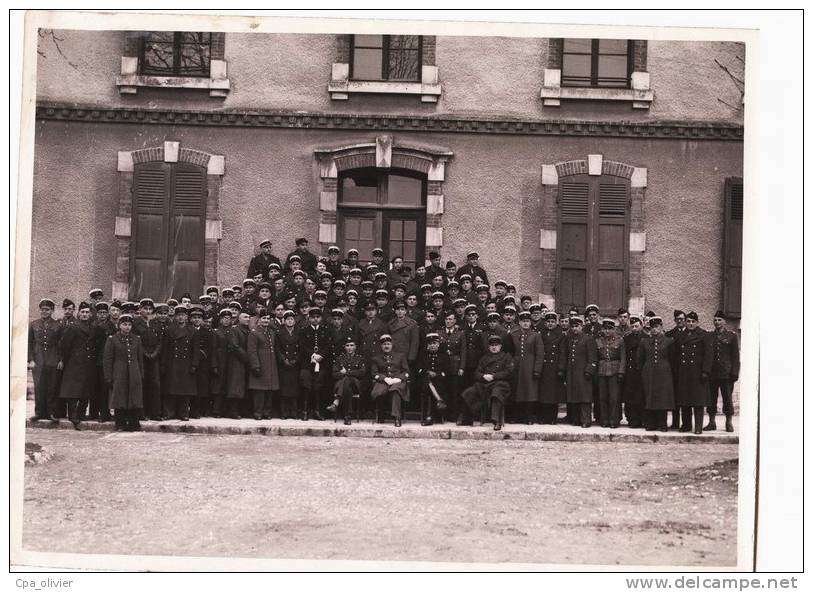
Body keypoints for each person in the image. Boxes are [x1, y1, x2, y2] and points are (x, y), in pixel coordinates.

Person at [459, 334, 514, 431]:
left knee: (496, 394)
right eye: (492, 345)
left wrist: (494, 376)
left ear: (500, 346)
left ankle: (497, 421)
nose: (494, 347)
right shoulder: (484, 358)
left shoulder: (506, 357)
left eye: (496, 345)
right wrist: (483, 376)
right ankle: (467, 418)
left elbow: (509, 372)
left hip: (501, 384)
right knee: (468, 392)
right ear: (489, 347)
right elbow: (476, 373)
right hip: (485, 384)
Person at [57, 302, 98, 429]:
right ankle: (73, 415)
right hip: (75, 363)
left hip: (88, 363)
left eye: (87, 312)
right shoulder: (73, 327)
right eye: (82, 312)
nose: (85, 314)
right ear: (79, 313)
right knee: (73, 390)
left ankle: (81, 413)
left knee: (86, 389)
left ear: (90, 314)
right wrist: (63, 359)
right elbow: (64, 345)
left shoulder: (92, 328)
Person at [103, 313, 144, 432]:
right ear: (119, 325)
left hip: (134, 371)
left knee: (134, 397)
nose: (127, 327)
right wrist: (108, 376)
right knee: (120, 397)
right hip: (119, 372)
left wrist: (141, 374)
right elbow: (108, 360)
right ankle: (120, 423)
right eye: (124, 324)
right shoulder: (112, 339)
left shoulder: (136, 339)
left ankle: (133, 423)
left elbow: (139, 359)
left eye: (129, 325)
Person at [160, 304, 200, 421]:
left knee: (185, 390)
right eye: (178, 315)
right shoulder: (169, 330)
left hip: (186, 363)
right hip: (172, 363)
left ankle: (183, 413)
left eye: (183, 315)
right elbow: (165, 349)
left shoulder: (192, 331)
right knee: (170, 389)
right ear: (175, 317)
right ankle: (169, 412)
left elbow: (195, 350)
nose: (181, 318)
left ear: (186, 317)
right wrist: (163, 363)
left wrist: (194, 364)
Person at [675, 311, 712, 434]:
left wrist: (705, 371)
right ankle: (686, 425)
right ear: (685, 322)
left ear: (697, 322)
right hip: (684, 372)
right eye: (688, 321)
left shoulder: (704, 335)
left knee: (698, 401)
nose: (690, 324)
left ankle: (698, 427)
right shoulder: (681, 335)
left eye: (693, 322)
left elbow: (708, 355)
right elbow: (678, 355)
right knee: (684, 400)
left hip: (698, 373)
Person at [558, 315, 597, 428]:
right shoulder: (569, 339)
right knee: (574, 396)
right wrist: (564, 371)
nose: (575, 328)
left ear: (582, 326)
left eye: (577, 326)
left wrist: (589, 370)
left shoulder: (588, 339)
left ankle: (586, 420)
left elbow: (592, 357)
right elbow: (566, 356)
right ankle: (576, 419)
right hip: (572, 372)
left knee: (585, 397)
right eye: (573, 326)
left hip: (584, 373)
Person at [637, 316, 675, 432]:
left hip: (664, 373)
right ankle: (651, 423)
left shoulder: (669, 341)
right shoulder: (644, 342)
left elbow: (673, 359)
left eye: (656, 327)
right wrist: (642, 371)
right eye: (652, 327)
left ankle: (662, 423)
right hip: (648, 372)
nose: (654, 330)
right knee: (650, 396)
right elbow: (640, 359)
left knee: (662, 398)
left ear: (661, 327)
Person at [27, 298, 62, 422]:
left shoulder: (58, 325)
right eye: (42, 309)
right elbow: (29, 344)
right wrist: (30, 359)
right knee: (39, 387)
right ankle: (39, 413)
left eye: (47, 309)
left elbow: (60, 344)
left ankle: (51, 413)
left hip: (53, 359)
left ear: (52, 310)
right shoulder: (34, 324)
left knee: (52, 387)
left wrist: (60, 360)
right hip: (38, 361)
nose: (44, 312)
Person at [706, 310, 740, 432]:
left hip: (726, 373)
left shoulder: (732, 336)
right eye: (715, 320)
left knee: (727, 398)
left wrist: (735, 373)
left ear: (724, 322)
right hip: (712, 373)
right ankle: (711, 422)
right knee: (711, 398)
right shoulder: (709, 336)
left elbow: (735, 357)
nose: (717, 322)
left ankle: (729, 422)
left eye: (719, 320)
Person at [510, 311, 544, 424]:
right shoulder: (513, 334)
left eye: (528, 321)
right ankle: (517, 416)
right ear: (519, 322)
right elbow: (509, 352)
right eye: (523, 321)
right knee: (517, 391)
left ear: (530, 323)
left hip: (530, 367)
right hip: (517, 367)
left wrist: (537, 369)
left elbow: (540, 354)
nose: (525, 323)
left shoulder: (536, 336)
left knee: (529, 392)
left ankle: (529, 417)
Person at [133, 298, 164, 420]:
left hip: (154, 358)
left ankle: (155, 413)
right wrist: (145, 353)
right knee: (143, 384)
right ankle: (142, 412)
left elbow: (160, 341)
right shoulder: (135, 323)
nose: (147, 311)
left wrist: (155, 353)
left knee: (155, 385)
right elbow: (136, 341)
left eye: (150, 309)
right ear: (140, 310)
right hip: (141, 357)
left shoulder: (156, 323)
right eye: (145, 308)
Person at [370, 334, 410, 427]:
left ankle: (397, 418)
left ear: (392, 344)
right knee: (379, 391)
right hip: (384, 382)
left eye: (388, 344)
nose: (386, 346)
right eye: (384, 344)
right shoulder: (376, 358)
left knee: (395, 391)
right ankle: (381, 415)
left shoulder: (400, 356)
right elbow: (374, 373)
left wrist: (398, 378)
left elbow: (406, 371)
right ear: (381, 346)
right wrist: (385, 379)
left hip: (397, 381)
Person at [247, 308, 280, 420]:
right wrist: (255, 365)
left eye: (268, 318)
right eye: (264, 318)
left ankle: (267, 411)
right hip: (260, 364)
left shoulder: (271, 333)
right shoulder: (254, 333)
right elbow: (252, 351)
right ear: (259, 320)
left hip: (271, 365)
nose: (266, 320)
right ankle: (258, 412)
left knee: (269, 389)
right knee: (259, 390)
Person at [299, 307, 330, 420]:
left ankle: (317, 411)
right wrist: (312, 355)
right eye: (313, 317)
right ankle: (305, 411)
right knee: (306, 386)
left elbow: (328, 345)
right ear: (309, 318)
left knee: (318, 387)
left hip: (321, 363)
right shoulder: (303, 330)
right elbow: (302, 346)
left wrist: (320, 355)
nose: (315, 319)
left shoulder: (325, 330)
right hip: (307, 363)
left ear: (321, 318)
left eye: (317, 317)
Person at [595, 318, 626, 428]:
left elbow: (623, 358)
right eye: (605, 329)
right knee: (603, 397)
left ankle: (614, 420)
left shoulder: (620, 340)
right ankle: (604, 420)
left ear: (614, 329)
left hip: (614, 371)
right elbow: (597, 358)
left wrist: (621, 371)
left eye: (609, 329)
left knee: (614, 397)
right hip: (602, 371)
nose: (607, 331)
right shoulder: (598, 341)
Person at [327, 336, 366, 425]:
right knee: (346, 385)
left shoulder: (360, 358)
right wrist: (349, 374)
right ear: (344, 347)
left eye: (352, 345)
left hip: (355, 385)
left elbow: (362, 372)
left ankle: (336, 401)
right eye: (347, 345)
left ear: (355, 347)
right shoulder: (339, 358)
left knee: (346, 380)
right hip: (344, 386)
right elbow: (334, 374)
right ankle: (347, 416)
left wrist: (346, 372)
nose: (349, 348)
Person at [538, 311, 566, 424]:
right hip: (544, 367)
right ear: (545, 323)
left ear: (556, 323)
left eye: (552, 322)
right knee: (544, 394)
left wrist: (561, 368)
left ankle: (553, 417)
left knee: (554, 395)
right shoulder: (541, 334)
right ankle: (544, 417)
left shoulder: (561, 334)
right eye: (548, 321)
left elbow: (563, 353)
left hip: (554, 368)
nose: (550, 324)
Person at [417, 333, 449, 426]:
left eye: (434, 343)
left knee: (432, 385)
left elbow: (447, 371)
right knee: (427, 382)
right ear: (427, 345)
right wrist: (427, 372)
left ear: (438, 344)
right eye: (430, 344)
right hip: (424, 382)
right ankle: (439, 401)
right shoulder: (423, 355)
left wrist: (437, 374)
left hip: (440, 381)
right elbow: (418, 370)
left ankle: (429, 417)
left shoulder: (444, 356)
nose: (432, 345)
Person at [190, 306, 216, 418]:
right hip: (188, 362)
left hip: (203, 363)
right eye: (194, 317)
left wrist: (201, 354)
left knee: (201, 387)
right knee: (189, 386)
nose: (196, 320)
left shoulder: (208, 332)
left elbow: (211, 348)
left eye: (199, 318)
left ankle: (199, 410)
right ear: (190, 319)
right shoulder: (187, 330)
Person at [276, 310, 302, 419]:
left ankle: (293, 411)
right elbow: (277, 348)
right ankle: (284, 412)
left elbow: (302, 348)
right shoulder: (279, 333)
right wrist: (283, 359)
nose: (290, 321)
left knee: (294, 387)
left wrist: (296, 359)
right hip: (284, 364)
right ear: (284, 321)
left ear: (295, 321)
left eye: (292, 319)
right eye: (287, 319)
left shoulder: (300, 332)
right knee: (284, 388)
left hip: (295, 363)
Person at [622, 316, 646, 428]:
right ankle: (632, 420)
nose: (634, 328)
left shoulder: (646, 338)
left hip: (641, 371)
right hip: (630, 372)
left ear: (641, 326)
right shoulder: (627, 339)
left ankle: (642, 419)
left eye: (636, 326)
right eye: (632, 326)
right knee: (630, 398)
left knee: (641, 397)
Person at [665, 309, 687, 430]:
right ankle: (675, 422)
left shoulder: (689, 333)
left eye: (682, 319)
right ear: (674, 320)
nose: (680, 321)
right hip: (673, 370)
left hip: (686, 370)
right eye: (677, 319)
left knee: (684, 398)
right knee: (674, 398)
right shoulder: (669, 334)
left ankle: (686, 423)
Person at [210, 309, 233, 417]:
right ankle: (216, 410)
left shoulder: (232, 331)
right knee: (217, 386)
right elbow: (213, 349)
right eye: (225, 318)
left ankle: (226, 410)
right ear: (220, 319)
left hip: (230, 360)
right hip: (219, 361)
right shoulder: (216, 332)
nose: (227, 321)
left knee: (228, 385)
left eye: (229, 319)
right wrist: (214, 365)